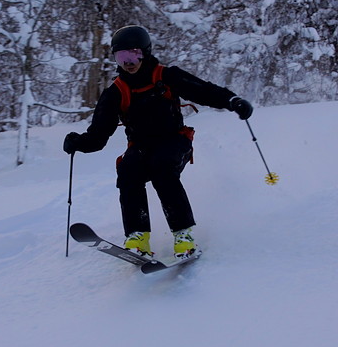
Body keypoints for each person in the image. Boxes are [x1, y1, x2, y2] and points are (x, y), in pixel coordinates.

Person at [63, 25, 253, 259]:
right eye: (121, 57)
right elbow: (99, 136)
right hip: (141, 147)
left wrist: (232, 100)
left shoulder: (166, 76)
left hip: (175, 141)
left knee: (162, 167)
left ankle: (183, 235)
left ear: (145, 52)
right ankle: (137, 237)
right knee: (128, 170)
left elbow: (204, 91)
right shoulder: (116, 91)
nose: (128, 62)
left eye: (133, 55)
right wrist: (78, 143)